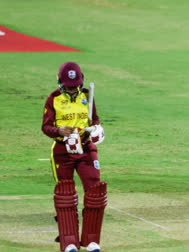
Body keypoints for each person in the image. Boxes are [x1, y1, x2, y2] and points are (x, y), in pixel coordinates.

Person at [42, 62, 106, 252]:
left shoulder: (87, 95)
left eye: (75, 86)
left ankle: (90, 239)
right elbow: (46, 127)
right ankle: (68, 236)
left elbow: (94, 119)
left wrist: (96, 128)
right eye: (68, 87)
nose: (72, 90)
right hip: (63, 151)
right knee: (66, 194)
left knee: (95, 190)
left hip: (86, 149)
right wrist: (59, 130)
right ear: (60, 83)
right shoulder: (53, 99)